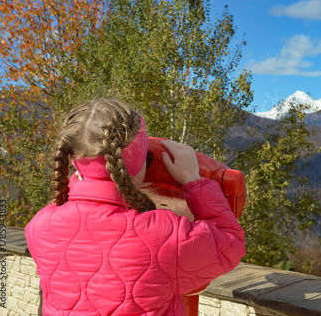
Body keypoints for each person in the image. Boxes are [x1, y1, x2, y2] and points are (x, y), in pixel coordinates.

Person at [25, 98, 246, 315]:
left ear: (72, 159)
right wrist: (192, 179)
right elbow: (230, 244)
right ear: (137, 163)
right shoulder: (164, 235)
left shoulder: (39, 226)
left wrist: (86, 178)